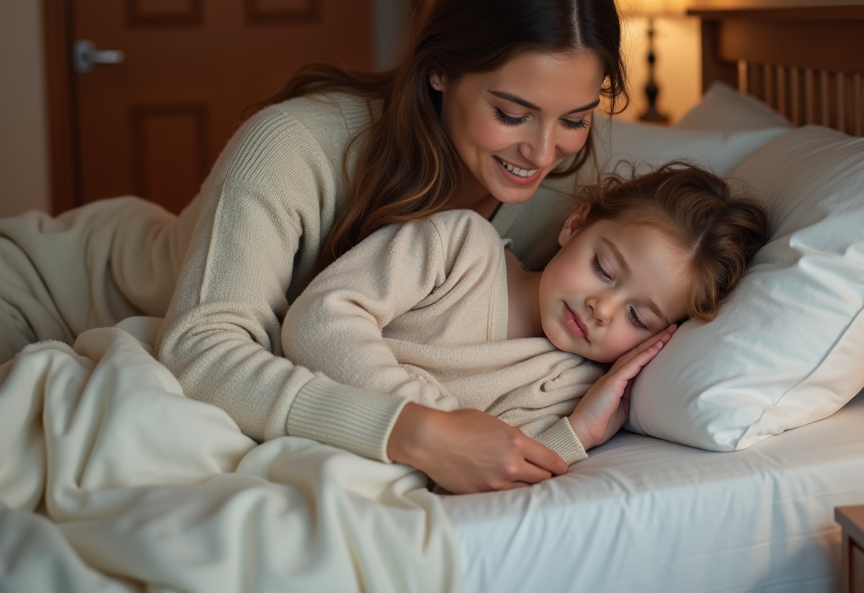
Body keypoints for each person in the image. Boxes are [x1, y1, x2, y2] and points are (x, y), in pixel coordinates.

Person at [0, 0, 626, 494]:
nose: (542, 150)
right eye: (513, 112)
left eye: (575, 117)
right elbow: (205, 349)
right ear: (442, 70)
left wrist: (577, 427)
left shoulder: (561, 211)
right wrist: (413, 430)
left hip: (127, 362)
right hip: (45, 293)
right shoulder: (297, 141)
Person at [281, 163, 770, 466]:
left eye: (638, 318)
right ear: (575, 224)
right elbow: (318, 321)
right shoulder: (459, 246)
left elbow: (482, 476)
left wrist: (578, 433)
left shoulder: (567, 385)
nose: (602, 309)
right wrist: (442, 428)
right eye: (603, 268)